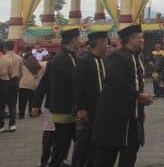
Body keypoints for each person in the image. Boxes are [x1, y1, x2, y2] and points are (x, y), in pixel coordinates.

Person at [92, 23, 152, 167]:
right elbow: (116, 83)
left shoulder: (137, 58)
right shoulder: (117, 58)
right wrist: (138, 96)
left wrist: (140, 110)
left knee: (129, 157)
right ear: (130, 39)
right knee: (106, 159)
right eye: (140, 38)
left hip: (132, 120)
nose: (142, 40)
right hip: (114, 120)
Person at [32, 26, 82, 165]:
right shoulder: (61, 59)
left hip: (69, 109)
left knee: (68, 144)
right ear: (73, 40)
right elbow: (45, 84)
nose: (81, 41)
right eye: (79, 39)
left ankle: (59, 162)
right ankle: (52, 162)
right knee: (59, 144)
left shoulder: (70, 57)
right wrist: (36, 104)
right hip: (63, 109)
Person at [71, 30, 109, 167]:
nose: (108, 45)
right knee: (83, 145)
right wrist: (80, 108)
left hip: (102, 111)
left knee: (97, 147)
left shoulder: (105, 60)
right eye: (105, 42)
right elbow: (77, 86)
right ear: (98, 43)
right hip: (88, 111)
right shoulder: (84, 61)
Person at [0, 40, 23, 133]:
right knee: (13, 104)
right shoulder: (19, 57)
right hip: (14, 81)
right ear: (14, 47)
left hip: (4, 81)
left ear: (5, 47)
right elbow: (21, 72)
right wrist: (17, 79)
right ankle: (12, 125)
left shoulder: (3, 58)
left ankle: (1, 126)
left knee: (2, 104)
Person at [19, 50, 42, 119]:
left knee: (22, 100)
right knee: (31, 100)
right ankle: (31, 113)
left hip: (23, 84)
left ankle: (21, 114)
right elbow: (38, 75)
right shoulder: (36, 65)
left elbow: (20, 74)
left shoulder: (23, 64)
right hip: (32, 85)